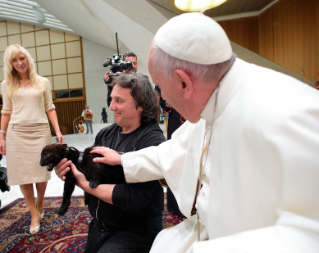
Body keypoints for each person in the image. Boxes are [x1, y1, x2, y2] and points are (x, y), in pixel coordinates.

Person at [74, 12, 319, 252]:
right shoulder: (216, 99)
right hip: (205, 230)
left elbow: (308, 235)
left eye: (161, 87)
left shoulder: (287, 113)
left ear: (184, 83)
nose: (163, 99)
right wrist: (124, 159)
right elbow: (174, 150)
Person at [55, 72, 166, 253]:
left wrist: (83, 184)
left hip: (136, 231)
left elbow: (134, 198)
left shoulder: (152, 140)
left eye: (119, 101)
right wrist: (70, 171)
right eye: (111, 99)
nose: (111, 106)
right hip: (101, 225)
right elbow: (91, 171)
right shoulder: (105, 134)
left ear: (141, 104)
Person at [0, 44, 64, 234]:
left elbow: (49, 106)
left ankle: (41, 201)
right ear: (10, 63)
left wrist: (57, 130)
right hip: (16, 133)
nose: (19, 63)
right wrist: (1, 136)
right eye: (14, 60)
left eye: (22, 58)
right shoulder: (6, 84)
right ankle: (33, 213)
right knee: (22, 174)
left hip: (40, 132)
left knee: (41, 171)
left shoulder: (42, 82)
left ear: (28, 59)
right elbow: (6, 112)